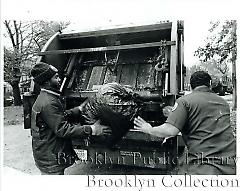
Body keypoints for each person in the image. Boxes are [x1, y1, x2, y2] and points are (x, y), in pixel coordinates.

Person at [134, 71, 236, 175]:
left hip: (204, 167)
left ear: (191, 86)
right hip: (230, 164)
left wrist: (148, 128)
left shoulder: (184, 102)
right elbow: (205, 118)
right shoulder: (223, 103)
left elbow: (170, 131)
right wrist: (175, 114)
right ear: (209, 84)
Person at [30, 62, 111, 175]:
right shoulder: (49, 102)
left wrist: (78, 110)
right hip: (50, 157)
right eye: (56, 77)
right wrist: (92, 129)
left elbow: (58, 116)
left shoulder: (47, 98)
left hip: (47, 153)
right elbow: (63, 129)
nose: (59, 79)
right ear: (47, 81)